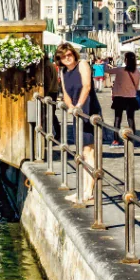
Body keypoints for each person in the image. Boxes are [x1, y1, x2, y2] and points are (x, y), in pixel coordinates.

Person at [57, 43, 100, 202]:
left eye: (69, 55)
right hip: (76, 113)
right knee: (81, 152)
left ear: (74, 54)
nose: (67, 58)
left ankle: (89, 191)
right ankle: (83, 190)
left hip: (88, 110)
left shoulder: (82, 65)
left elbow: (87, 86)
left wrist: (79, 106)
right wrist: (71, 107)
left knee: (89, 152)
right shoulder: (63, 71)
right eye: (63, 56)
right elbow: (66, 94)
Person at [106, 52, 140, 144]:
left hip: (119, 97)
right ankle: (133, 138)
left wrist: (106, 62)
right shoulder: (136, 71)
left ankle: (116, 139)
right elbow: (137, 87)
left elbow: (107, 70)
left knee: (117, 118)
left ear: (126, 60)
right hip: (131, 97)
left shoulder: (120, 70)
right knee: (131, 119)